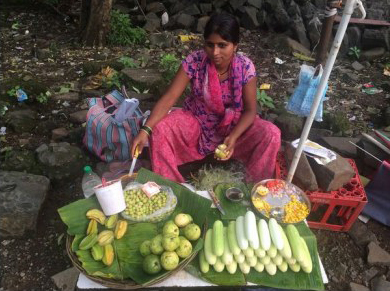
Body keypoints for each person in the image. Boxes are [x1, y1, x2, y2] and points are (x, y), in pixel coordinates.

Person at [131, 13, 281, 183]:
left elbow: (250, 110)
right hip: (198, 123)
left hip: (234, 127)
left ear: (235, 46)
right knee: (160, 129)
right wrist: (146, 130)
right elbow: (170, 97)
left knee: (271, 133)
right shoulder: (194, 61)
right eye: (210, 45)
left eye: (222, 45)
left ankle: (253, 189)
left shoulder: (245, 67)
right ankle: (171, 187)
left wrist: (233, 137)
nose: (215, 52)